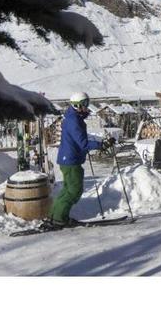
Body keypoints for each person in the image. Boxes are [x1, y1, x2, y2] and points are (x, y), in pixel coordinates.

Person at [44, 92, 114, 229]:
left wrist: (100, 142)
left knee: (67, 190)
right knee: (74, 191)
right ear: (77, 105)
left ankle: (55, 215)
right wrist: (101, 145)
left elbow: (79, 139)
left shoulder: (73, 117)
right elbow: (83, 143)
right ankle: (59, 218)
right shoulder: (74, 121)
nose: (87, 106)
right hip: (71, 160)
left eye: (87, 103)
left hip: (69, 159)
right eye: (85, 104)